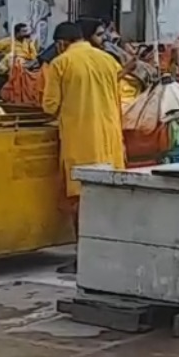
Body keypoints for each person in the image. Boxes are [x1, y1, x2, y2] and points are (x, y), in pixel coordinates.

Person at [42, 21, 128, 274]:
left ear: (60, 44)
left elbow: (49, 105)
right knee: (106, 197)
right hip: (110, 137)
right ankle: (109, 253)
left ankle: (85, 256)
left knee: (81, 200)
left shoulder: (61, 63)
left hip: (80, 139)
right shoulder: (108, 60)